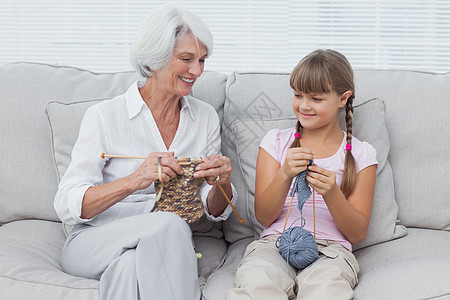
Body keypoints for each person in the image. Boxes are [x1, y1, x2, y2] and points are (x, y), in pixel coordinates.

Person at [54, 4, 238, 300]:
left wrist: (222, 183)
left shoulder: (204, 117)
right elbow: (67, 203)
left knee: (128, 268)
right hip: (93, 242)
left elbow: (212, 208)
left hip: (155, 246)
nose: (197, 70)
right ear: (154, 59)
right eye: (186, 59)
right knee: (169, 222)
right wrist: (134, 180)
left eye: (202, 60)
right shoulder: (104, 116)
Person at [227, 49, 378, 300]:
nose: (304, 105)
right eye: (298, 95)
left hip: (331, 251)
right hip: (275, 244)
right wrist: (285, 174)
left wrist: (332, 194)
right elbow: (264, 216)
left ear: (343, 99)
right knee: (257, 284)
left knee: (326, 291)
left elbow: (357, 233)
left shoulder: (362, 154)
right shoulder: (275, 142)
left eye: (316, 99)